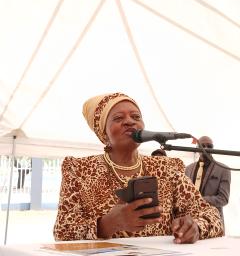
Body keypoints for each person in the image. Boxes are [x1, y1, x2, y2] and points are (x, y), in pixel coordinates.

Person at [53, 92, 223, 243]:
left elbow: (212, 216)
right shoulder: (78, 169)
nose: (129, 121)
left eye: (136, 117)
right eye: (118, 118)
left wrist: (195, 228)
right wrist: (106, 224)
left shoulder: (167, 168)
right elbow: (62, 229)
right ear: (103, 134)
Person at [185, 136, 231, 232]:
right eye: (202, 145)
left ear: (213, 149)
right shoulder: (188, 169)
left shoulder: (223, 169)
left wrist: (199, 200)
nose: (206, 148)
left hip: (213, 224)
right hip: (189, 222)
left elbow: (223, 199)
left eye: (209, 146)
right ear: (197, 148)